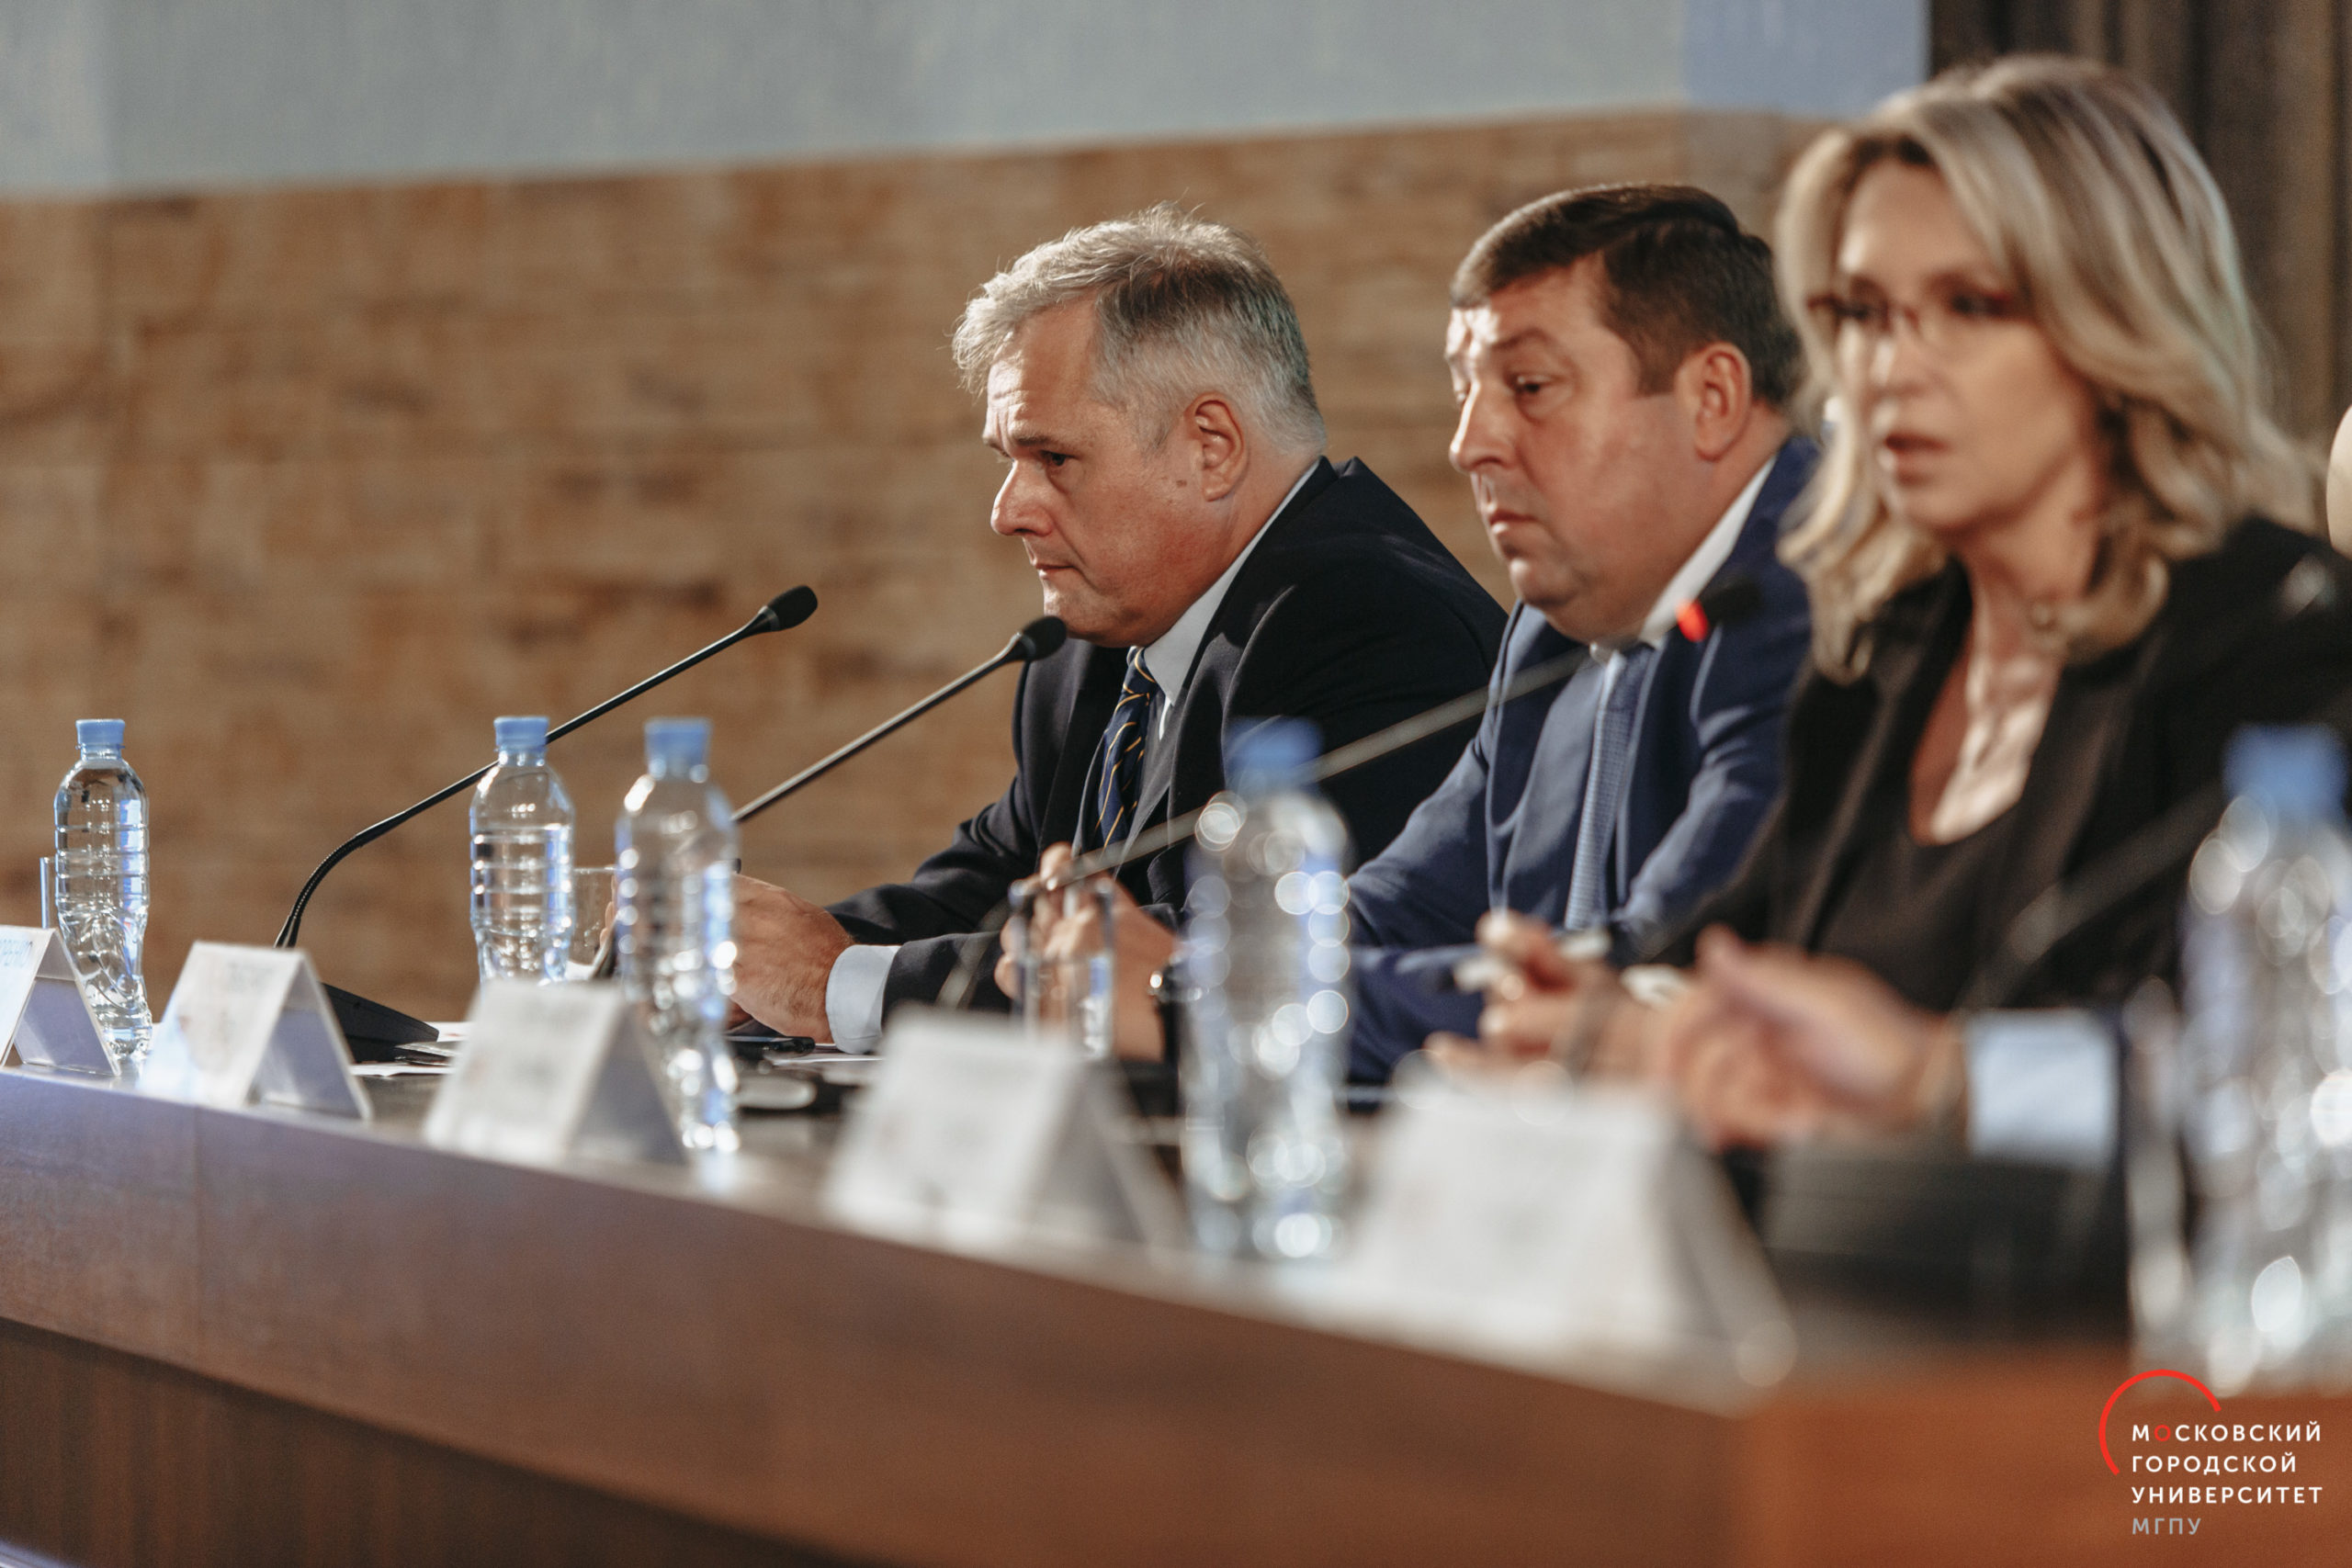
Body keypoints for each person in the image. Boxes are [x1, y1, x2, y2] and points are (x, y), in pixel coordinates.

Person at [1454, 57, 2352, 1156]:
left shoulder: (2283, 635)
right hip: (1836, 1256)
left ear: (2113, 326)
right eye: (1864, 313)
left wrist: (1943, 1080)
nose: (1890, 368)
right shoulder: (1882, 654)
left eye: (1966, 306)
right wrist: (1608, 1015)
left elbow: (2290, 1072)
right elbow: (1732, 954)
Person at [1007, 186, 1816, 1077]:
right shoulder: (1552, 629)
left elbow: (1641, 977)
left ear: (1711, 397)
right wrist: (1201, 972)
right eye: (1466, 391)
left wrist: (1193, 997)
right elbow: (1406, 908)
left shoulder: (1812, 611)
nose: (1469, 443)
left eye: (1529, 387)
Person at [730, 205, 1505, 1045]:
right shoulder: (1089, 644)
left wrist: (836, 984)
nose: (1007, 512)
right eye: (1008, 461)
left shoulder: (1375, 622)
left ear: (1211, 447)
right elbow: (993, 896)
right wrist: (754, 962)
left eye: (1053, 458)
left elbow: (1240, 959)